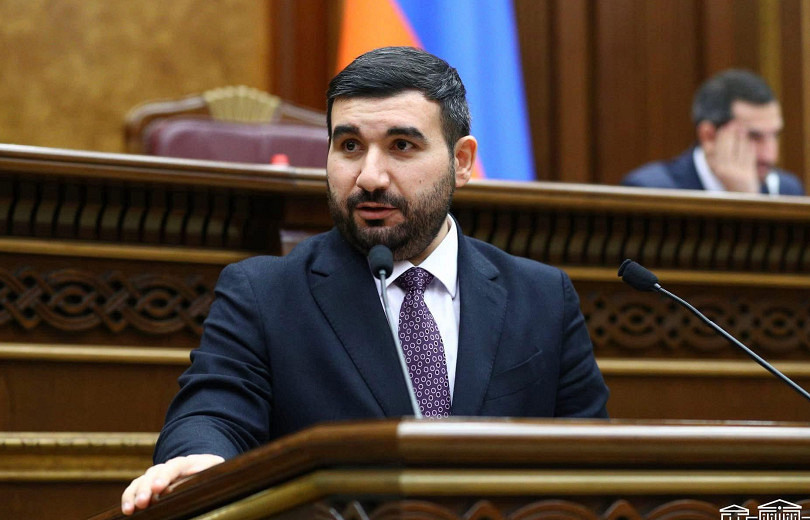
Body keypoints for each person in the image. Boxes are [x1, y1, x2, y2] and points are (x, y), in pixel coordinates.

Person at [121, 46, 609, 515]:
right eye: (350, 146)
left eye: (401, 146)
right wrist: (203, 460)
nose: (370, 177)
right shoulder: (264, 293)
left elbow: (593, 463)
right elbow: (212, 413)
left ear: (461, 162)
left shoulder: (542, 297)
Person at [621, 69, 804, 195]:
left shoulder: (787, 190)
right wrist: (744, 202)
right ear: (709, 136)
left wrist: (749, 198)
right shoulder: (651, 190)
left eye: (775, 135)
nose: (770, 155)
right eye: (754, 137)